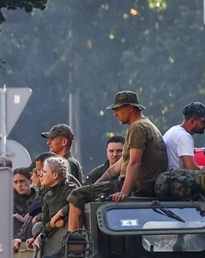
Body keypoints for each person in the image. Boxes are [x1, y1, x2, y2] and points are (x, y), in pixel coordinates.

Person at [67, 91, 168, 231]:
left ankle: (73, 244)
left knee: (76, 195)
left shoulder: (137, 128)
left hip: (137, 187)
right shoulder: (146, 125)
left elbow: (134, 162)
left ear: (130, 108)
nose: (115, 114)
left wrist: (124, 192)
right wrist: (93, 186)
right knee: (85, 192)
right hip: (144, 185)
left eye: (117, 109)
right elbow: (116, 168)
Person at [13, 156, 75, 253]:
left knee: (37, 226)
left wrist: (58, 216)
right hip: (53, 230)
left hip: (66, 233)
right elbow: (46, 222)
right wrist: (36, 236)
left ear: (55, 175)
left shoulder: (68, 188)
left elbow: (75, 204)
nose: (40, 174)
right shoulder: (48, 195)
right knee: (37, 226)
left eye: (44, 171)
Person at [164, 102, 205, 171]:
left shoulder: (174, 130)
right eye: (203, 121)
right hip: (177, 180)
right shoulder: (184, 136)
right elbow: (191, 168)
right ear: (192, 121)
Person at [12, 167, 35, 237]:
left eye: (22, 181)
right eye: (15, 182)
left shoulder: (39, 198)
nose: (19, 185)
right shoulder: (8, 199)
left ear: (30, 181)